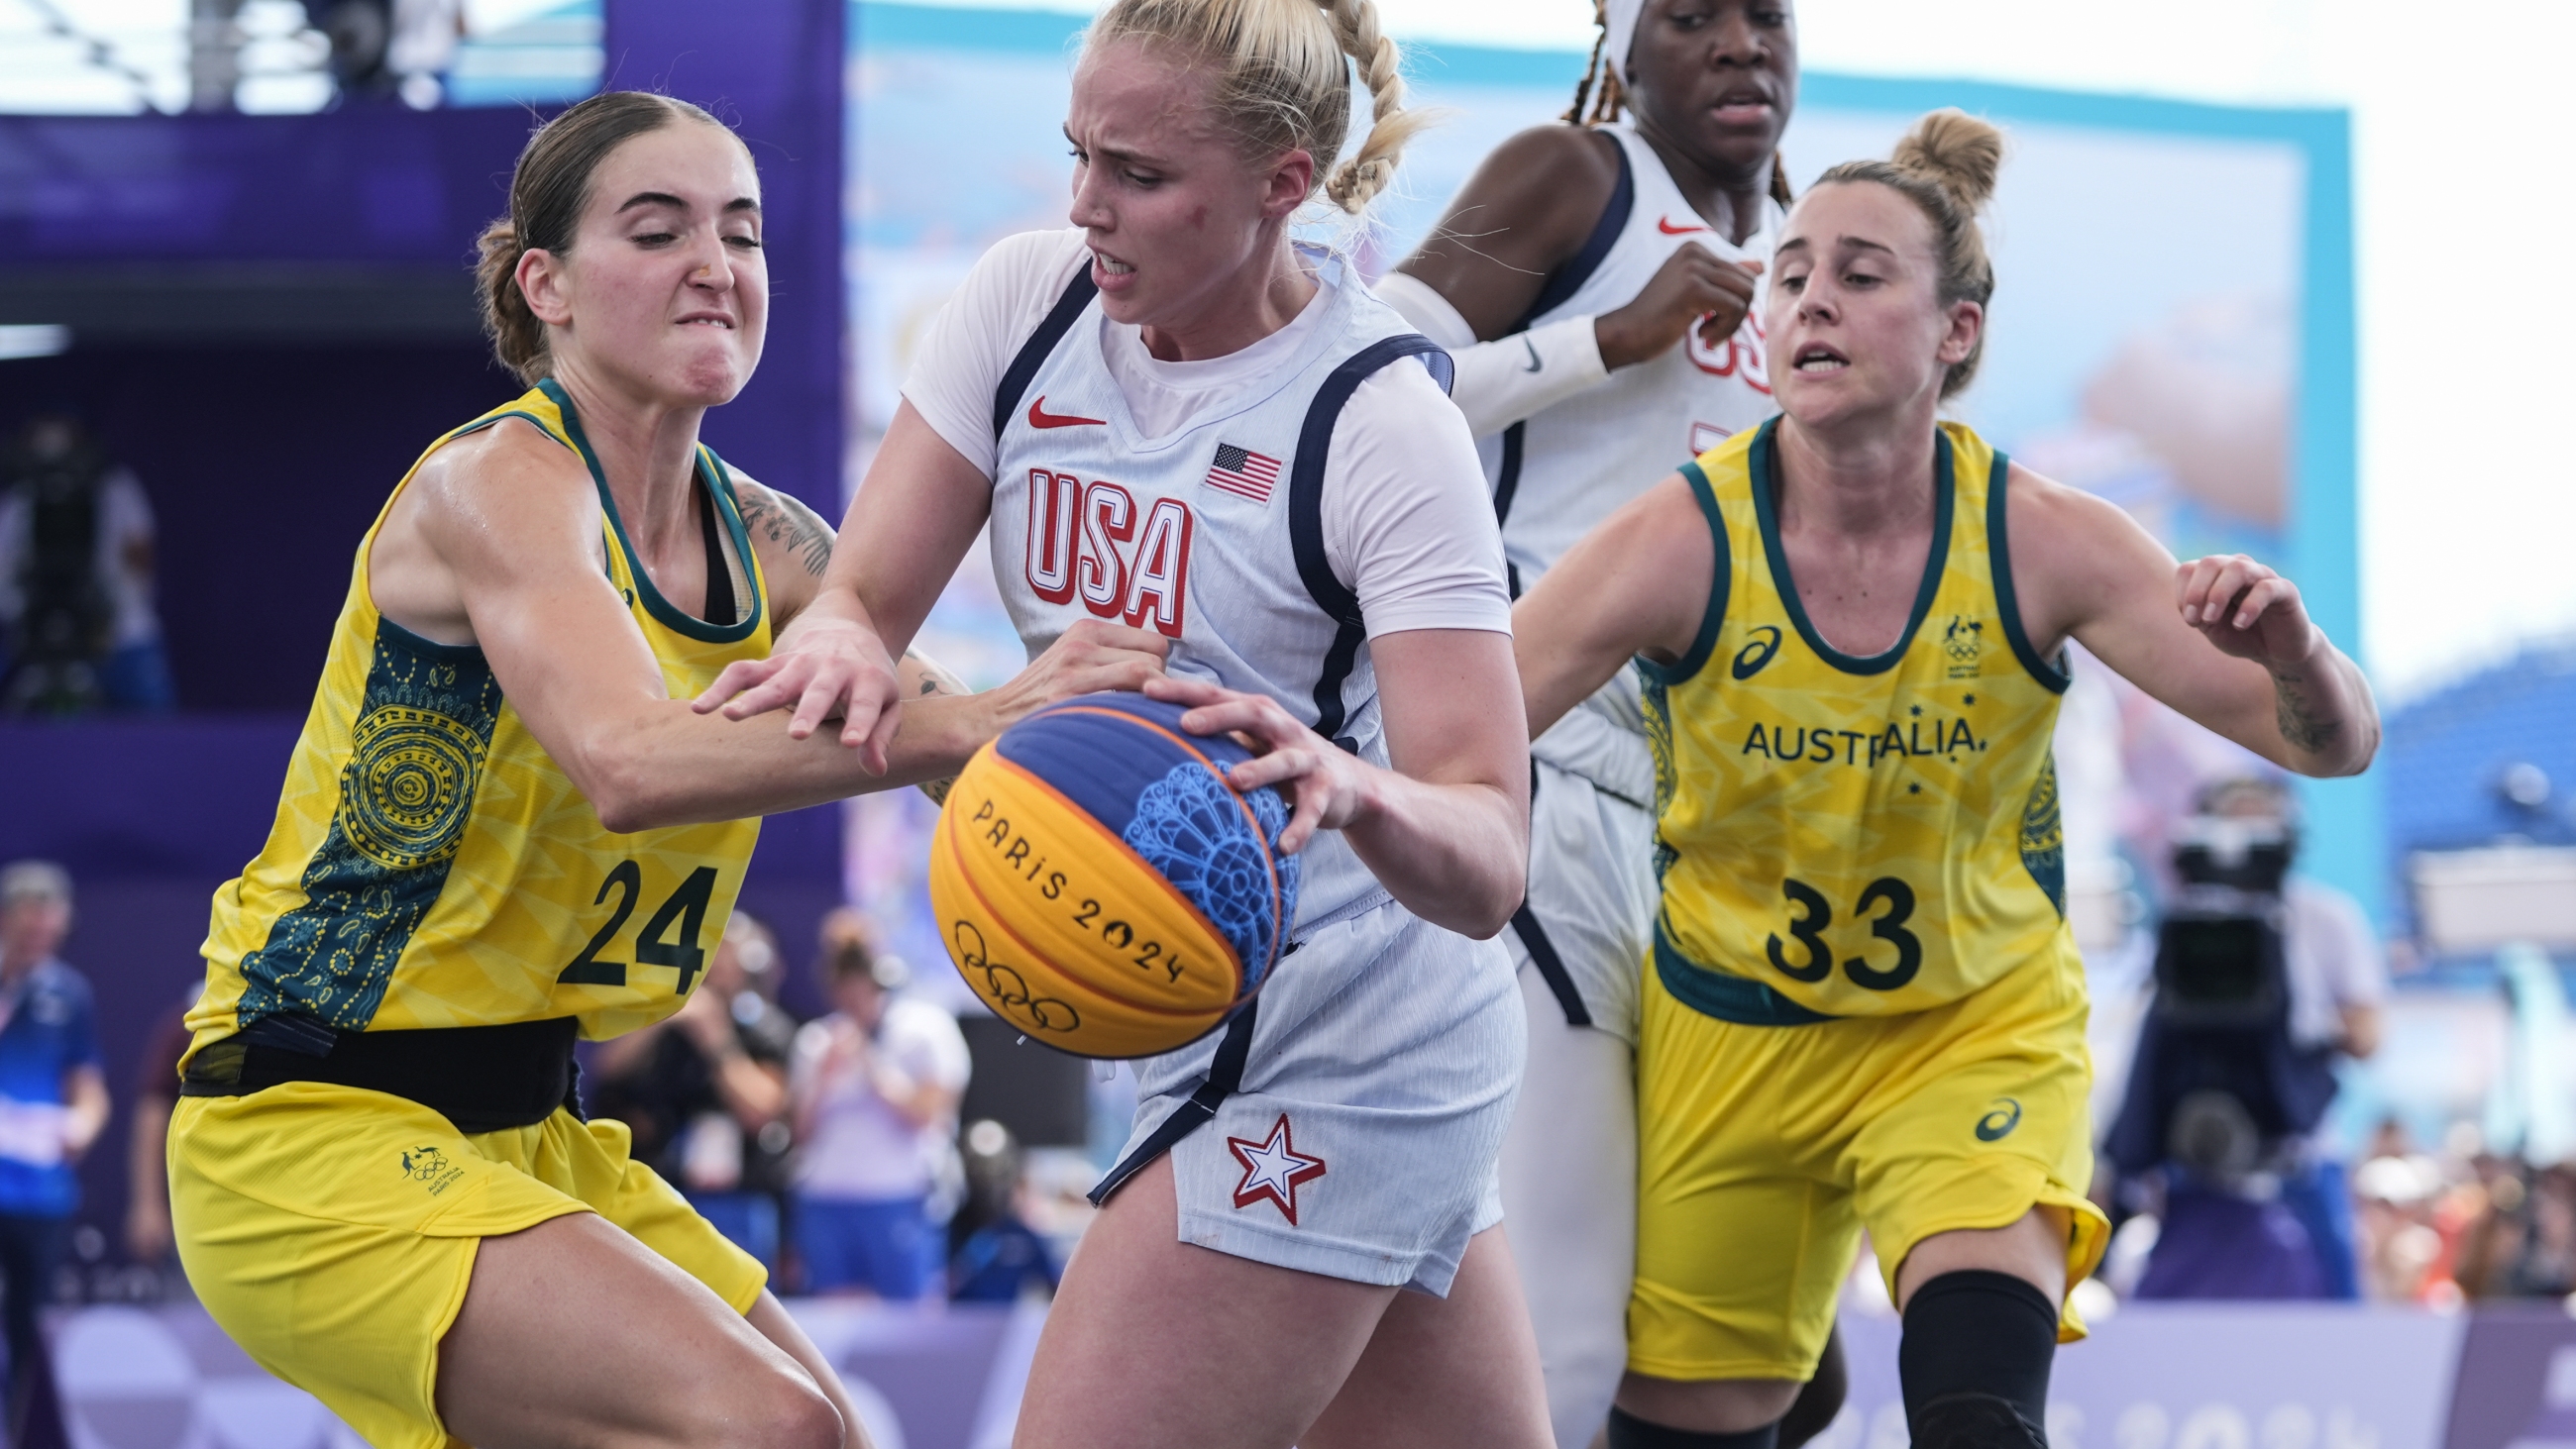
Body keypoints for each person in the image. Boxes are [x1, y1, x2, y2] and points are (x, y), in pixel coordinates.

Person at [166, 89, 1170, 1449]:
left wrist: (1187, 794)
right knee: (768, 1428)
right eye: (659, 228)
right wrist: (969, 724)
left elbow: (992, 760)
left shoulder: (781, 545)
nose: (717, 261)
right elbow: (631, 761)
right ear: (549, 285)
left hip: (532, 1123)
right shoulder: (500, 483)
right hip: (312, 1124)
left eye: (743, 232)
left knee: (828, 1428)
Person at [695, 0, 1552, 1440]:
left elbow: (1490, 848)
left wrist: (1350, 780)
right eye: (1076, 154)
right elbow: (862, 602)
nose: (1089, 203)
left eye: (1140, 175)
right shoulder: (1029, 305)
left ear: (1287, 181)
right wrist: (838, 629)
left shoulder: (1375, 419)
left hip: (1344, 1036)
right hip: (1200, 999)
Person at [1510, 110, 2379, 1449]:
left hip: (1968, 1025)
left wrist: (2296, 648)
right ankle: (1795, 1373)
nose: (1810, 297)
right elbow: (1456, 726)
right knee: (1687, 1430)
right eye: (1793, 271)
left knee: (1977, 1415)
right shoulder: (1681, 538)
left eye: (1861, 274)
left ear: (1957, 332)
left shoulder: (2043, 537)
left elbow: (2333, 741)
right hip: (1732, 1033)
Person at [1376, 0, 1793, 1439]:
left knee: (1751, 1351)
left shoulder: (1810, 253)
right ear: (1625, 45)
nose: (1743, 45)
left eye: (1768, 15)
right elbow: (1362, 384)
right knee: (1564, 1320)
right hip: (1532, 772)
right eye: (1695, 18)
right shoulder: (1577, 173)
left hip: (1705, 835)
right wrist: (1610, 337)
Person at [2117, 775, 2387, 1301]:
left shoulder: (2327, 918)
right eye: (2232, 821)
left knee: (2335, 1295)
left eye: (2260, 823)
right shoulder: (2182, 923)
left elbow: (2367, 1035)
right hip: (2198, 1150)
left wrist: (2296, 1033)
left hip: (2299, 1150)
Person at [588, 910, 801, 1271]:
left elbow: (762, 1110)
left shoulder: (764, 1027)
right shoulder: (670, 1023)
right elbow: (607, 1067)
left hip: (739, 1200)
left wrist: (715, 1041)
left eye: (727, 957)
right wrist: (663, 1018)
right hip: (663, 1190)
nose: (716, 968)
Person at [790, 926, 969, 1299]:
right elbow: (799, 1132)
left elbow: (926, 1114)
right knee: (829, 1316)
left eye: (862, 982)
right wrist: (824, 1078)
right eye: (844, 984)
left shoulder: (926, 1029)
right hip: (826, 1199)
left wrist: (870, 1065)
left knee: (905, 1323)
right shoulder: (816, 1040)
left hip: (899, 1197)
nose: (854, 995)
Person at [0, 863, 110, 1436]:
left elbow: (89, 1090)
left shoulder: (68, 992)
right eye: (28, 926)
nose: (39, 936)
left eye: (50, 927)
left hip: (41, 1191)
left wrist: (82, 1128)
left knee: (27, 1331)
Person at [0, 413, 175, 714]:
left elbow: (140, 554)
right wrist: (21, 609)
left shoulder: (115, 485)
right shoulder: (22, 495)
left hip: (119, 629)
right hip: (36, 625)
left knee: (154, 725)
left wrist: (115, 608)